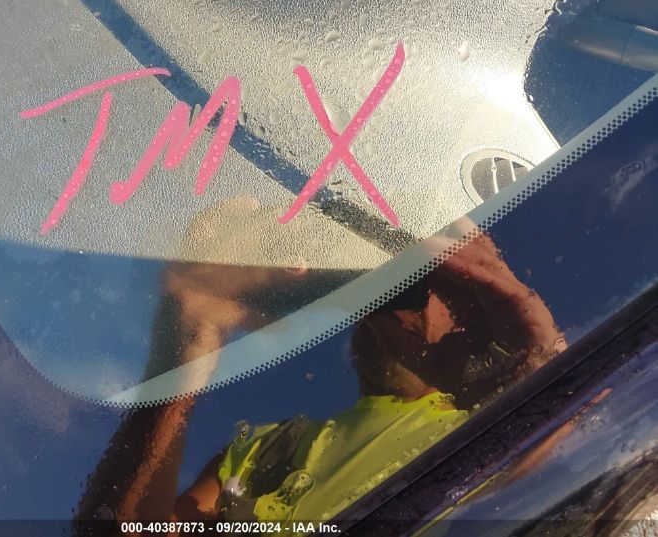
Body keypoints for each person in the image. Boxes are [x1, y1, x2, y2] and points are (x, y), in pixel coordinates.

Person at [74, 201, 566, 532]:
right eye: (363, 298)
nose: (386, 315)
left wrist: (537, 376)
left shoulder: (486, 419)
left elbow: (555, 480)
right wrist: (188, 337)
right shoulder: (263, 452)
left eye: (411, 282)